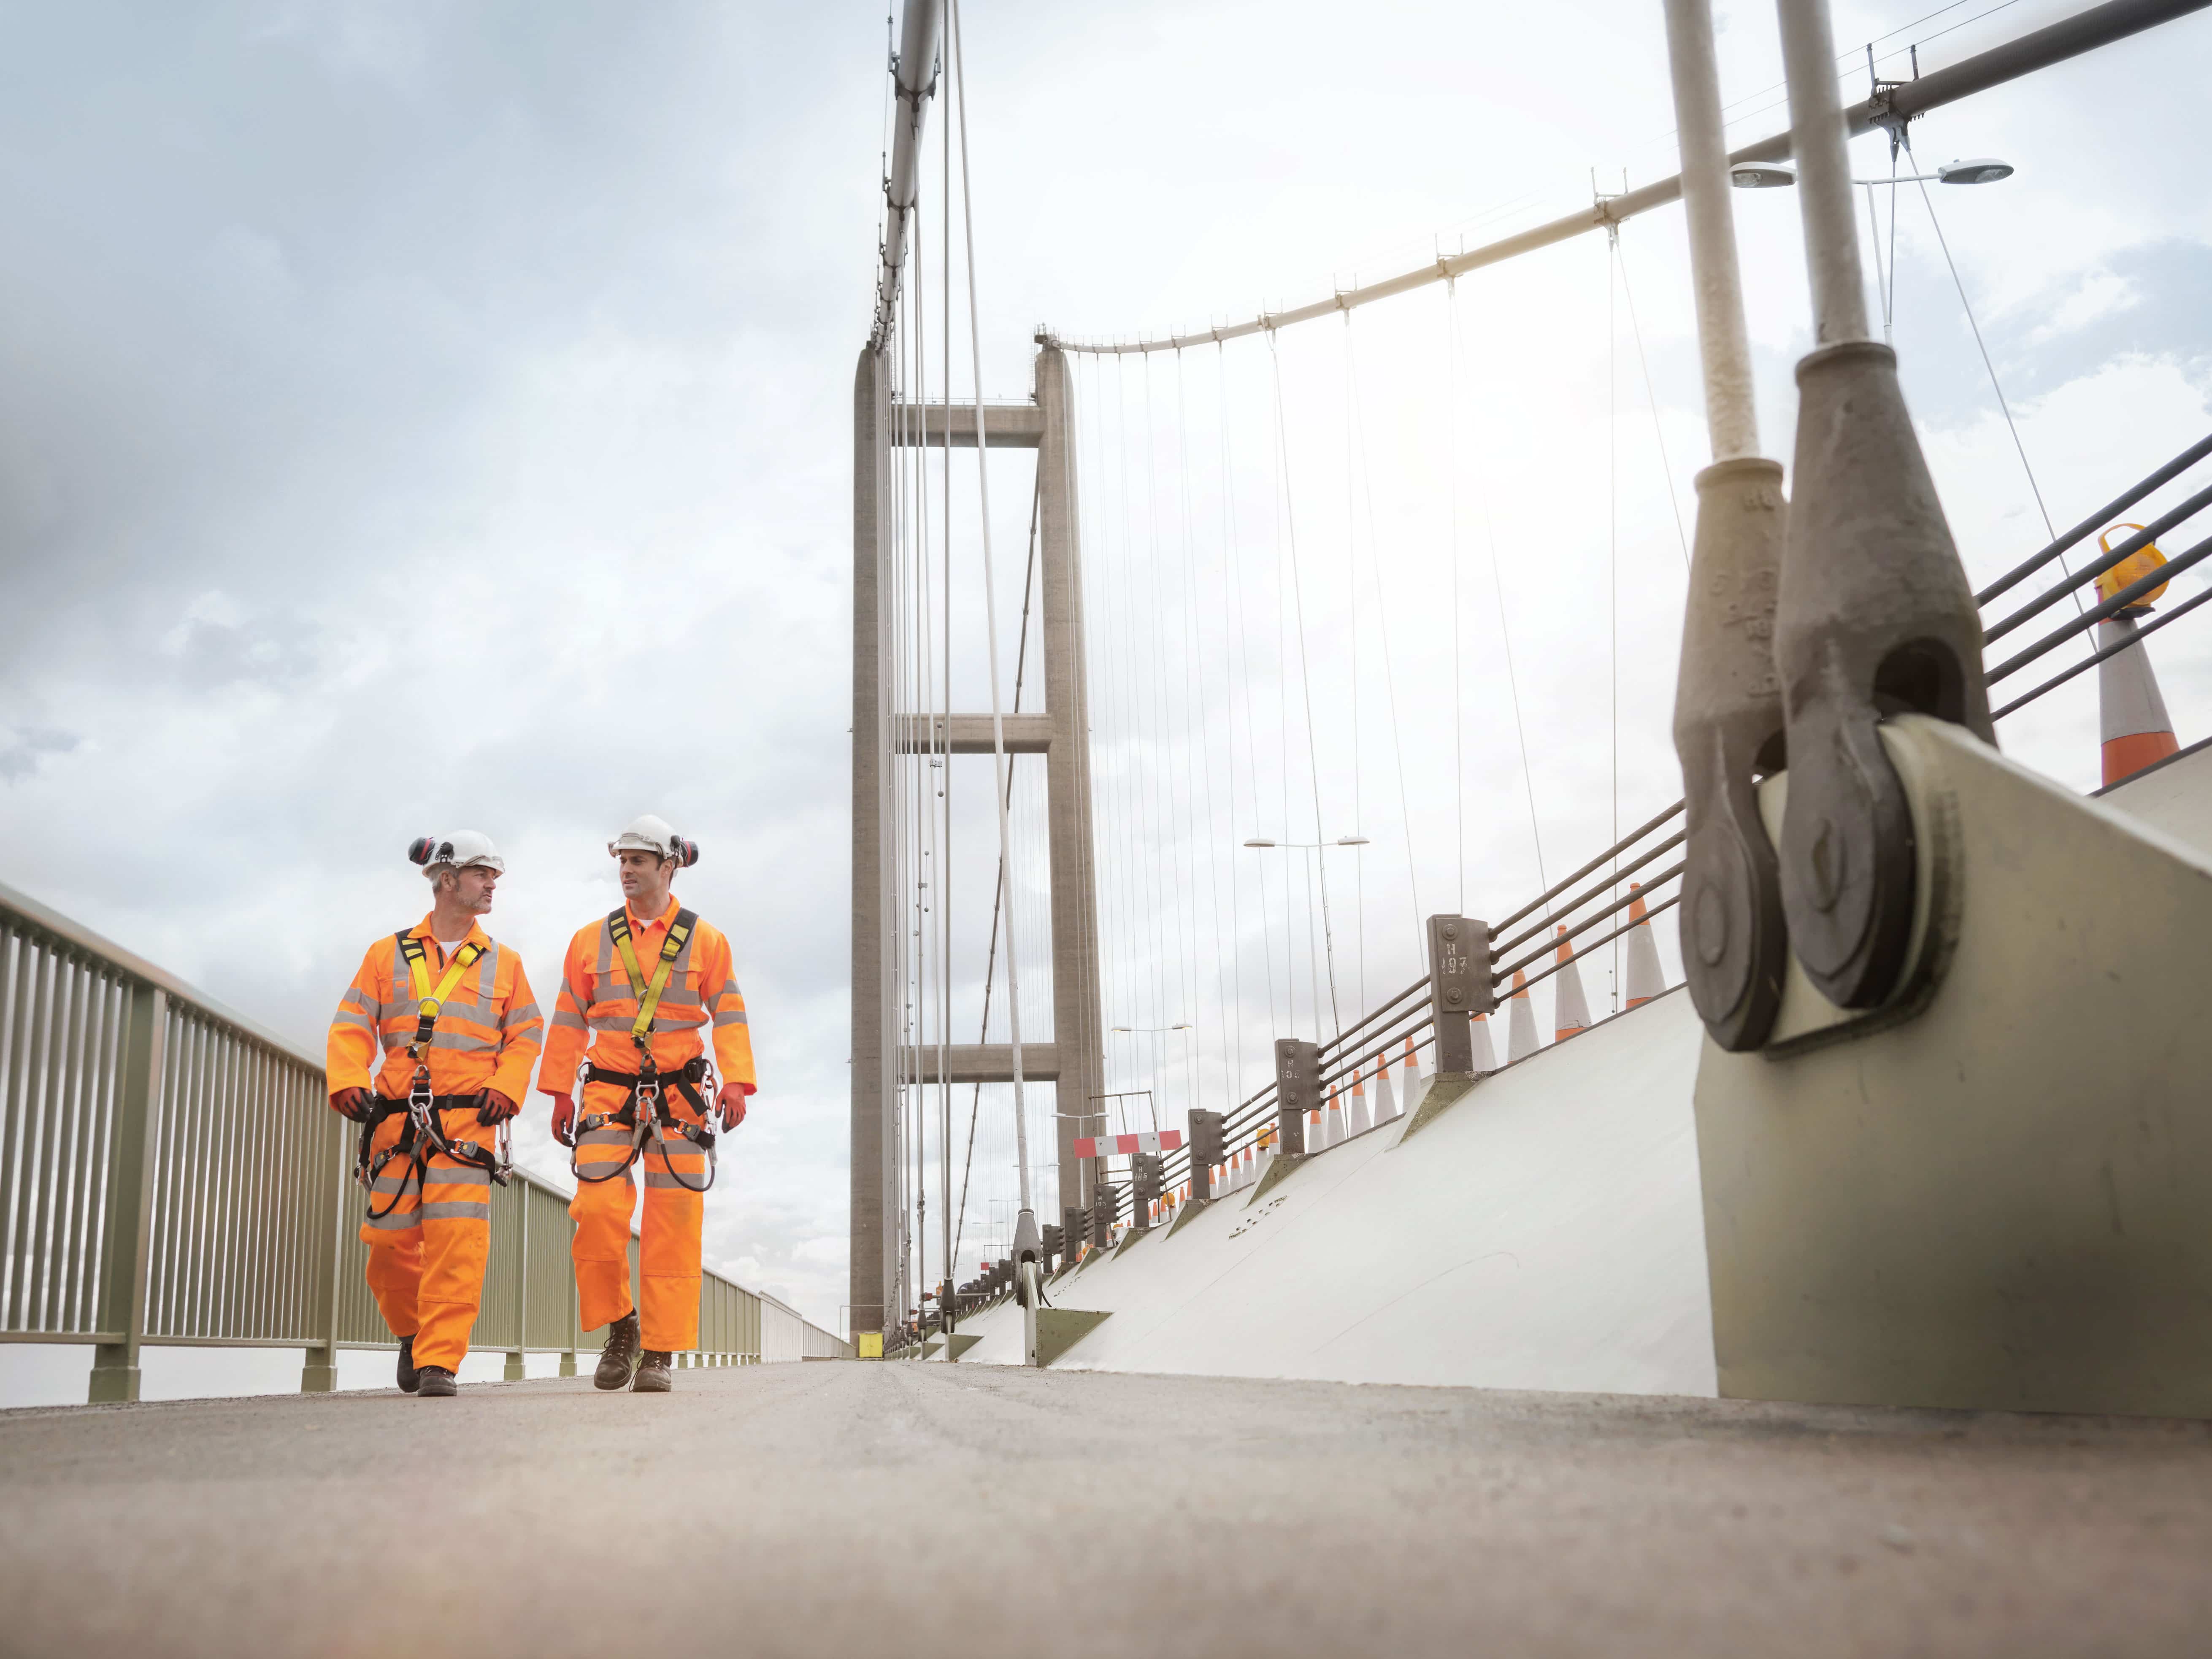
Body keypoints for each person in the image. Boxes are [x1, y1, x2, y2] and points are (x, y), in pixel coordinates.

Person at [541, 815, 754, 1393]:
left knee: (675, 1224)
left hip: (680, 1095)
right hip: (607, 1090)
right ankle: (621, 1326)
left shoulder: (706, 940)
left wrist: (736, 1082)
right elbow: (567, 1017)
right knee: (596, 1214)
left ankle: (660, 1351)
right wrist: (559, 1090)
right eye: (622, 860)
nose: (626, 870)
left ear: (668, 866)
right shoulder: (590, 940)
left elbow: (728, 1011)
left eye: (638, 861)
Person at [325, 832, 543, 1398]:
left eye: (494, 876)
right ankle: (413, 1332)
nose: (492, 884)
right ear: (448, 880)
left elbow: (524, 1035)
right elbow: (352, 1026)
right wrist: (349, 1080)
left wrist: (507, 1086)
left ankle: (439, 1362)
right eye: (481, 874)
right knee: (387, 1248)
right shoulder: (385, 954)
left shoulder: (506, 963)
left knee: (456, 1245)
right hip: (396, 1121)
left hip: (468, 1123)